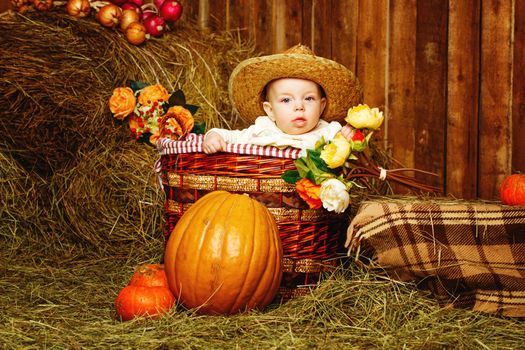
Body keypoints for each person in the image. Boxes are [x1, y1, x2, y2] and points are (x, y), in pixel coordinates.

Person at [203, 44, 363, 154]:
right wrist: (213, 136)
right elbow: (231, 136)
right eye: (286, 100)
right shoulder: (263, 129)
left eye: (308, 98)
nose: (299, 106)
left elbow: (356, 152)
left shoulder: (329, 132)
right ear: (270, 110)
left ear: (321, 106)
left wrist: (350, 137)